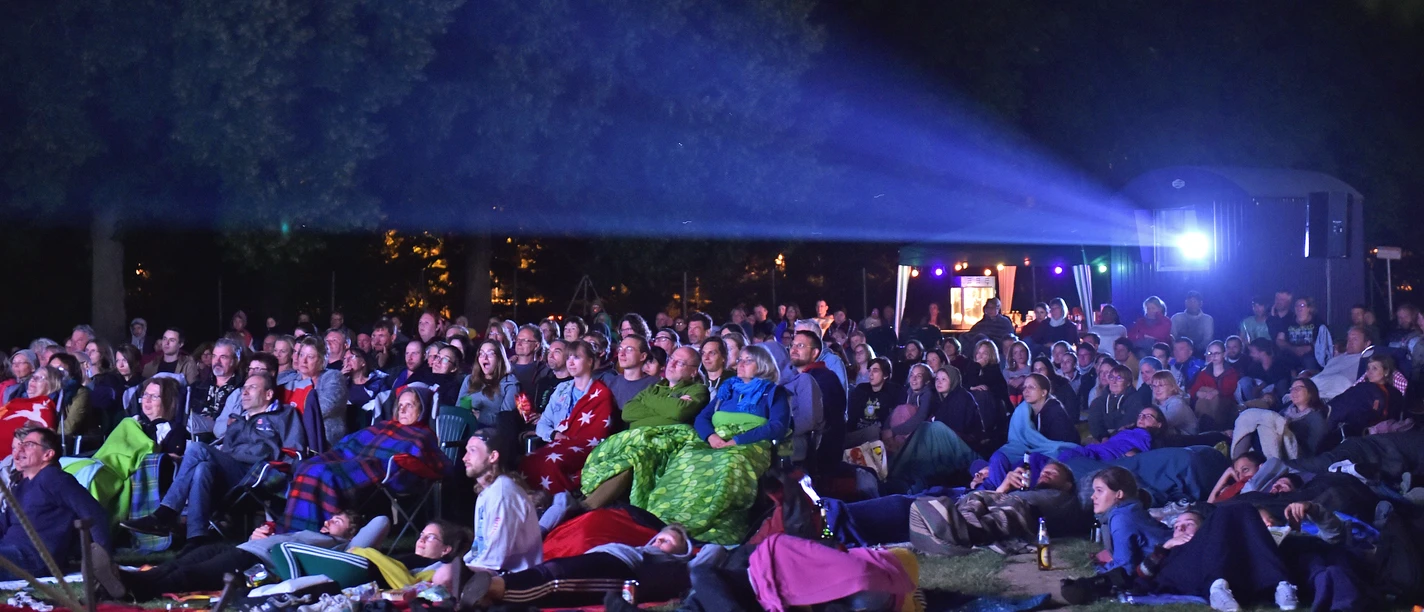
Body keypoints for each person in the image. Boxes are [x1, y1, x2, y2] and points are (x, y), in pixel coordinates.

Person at [121, 372, 305, 548]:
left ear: (268, 394)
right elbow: (227, 451)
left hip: (259, 473)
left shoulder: (285, 415)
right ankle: (196, 538)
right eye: (244, 388)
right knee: (202, 468)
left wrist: (281, 474)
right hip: (233, 473)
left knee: (196, 448)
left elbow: (295, 452)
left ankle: (164, 514)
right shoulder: (238, 421)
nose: (245, 392)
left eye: (253, 387)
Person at [633, 345, 789, 544]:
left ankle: (700, 524)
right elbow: (702, 419)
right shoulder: (728, 390)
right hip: (716, 441)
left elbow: (778, 426)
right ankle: (665, 519)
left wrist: (737, 440)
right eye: (739, 359)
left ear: (763, 365)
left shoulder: (773, 392)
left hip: (750, 443)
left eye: (747, 360)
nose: (740, 364)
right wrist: (711, 437)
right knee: (685, 458)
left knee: (728, 464)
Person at [98, 509, 386, 601]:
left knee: (190, 576)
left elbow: (381, 522)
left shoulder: (341, 548)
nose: (329, 521)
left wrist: (349, 538)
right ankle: (123, 579)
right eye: (332, 517)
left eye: (339, 522)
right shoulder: (316, 533)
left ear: (350, 535)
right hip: (243, 547)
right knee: (180, 561)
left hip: (255, 562)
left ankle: (131, 589)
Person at [281, 386, 451, 532]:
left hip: (379, 470)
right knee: (306, 466)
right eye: (400, 406)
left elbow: (433, 464)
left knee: (324, 474)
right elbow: (351, 442)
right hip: (350, 458)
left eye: (410, 405)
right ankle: (295, 529)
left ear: (422, 409)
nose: (403, 410)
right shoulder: (384, 425)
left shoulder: (423, 435)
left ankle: (326, 532)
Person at [580, 346, 710, 509]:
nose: (673, 364)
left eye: (681, 363)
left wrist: (650, 401)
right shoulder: (653, 388)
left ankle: (586, 506)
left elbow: (678, 412)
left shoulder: (697, 390)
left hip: (662, 443)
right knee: (607, 456)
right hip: (633, 438)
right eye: (672, 359)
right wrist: (670, 402)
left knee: (634, 459)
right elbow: (628, 412)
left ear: (693, 371)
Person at [460, 524, 693, 609]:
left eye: (669, 541)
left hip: (618, 569)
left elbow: (712, 553)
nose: (659, 541)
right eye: (659, 537)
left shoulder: (672, 564)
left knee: (557, 580)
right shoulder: (639, 548)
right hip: (601, 557)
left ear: (681, 552)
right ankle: (486, 593)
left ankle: (492, 589)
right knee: (554, 570)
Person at [433, 430, 542, 589]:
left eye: (472, 451)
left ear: (493, 457)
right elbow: (479, 548)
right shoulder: (486, 493)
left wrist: (457, 572)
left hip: (514, 578)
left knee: (444, 575)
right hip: (492, 569)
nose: (464, 458)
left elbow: (495, 558)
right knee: (434, 570)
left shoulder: (503, 494)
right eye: (466, 451)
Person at [0, 424, 109, 580]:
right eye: (20, 445)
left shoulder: (54, 478)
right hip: (8, 551)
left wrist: (103, 561)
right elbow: (3, 524)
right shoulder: (22, 485)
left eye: (29, 445)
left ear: (48, 454)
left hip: (33, 558)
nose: (20, 450)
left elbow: (94, 513)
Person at [524, 341, 616, 493]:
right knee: (528, 462)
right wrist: (554, 434)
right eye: (568, 358)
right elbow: (543, 423)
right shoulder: (561, 389)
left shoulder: (602, 393)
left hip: (585, 448)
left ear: (590, 361)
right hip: (556, 442)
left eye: (577, 357)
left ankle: (565, 502)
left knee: (550, 465)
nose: (571, 362)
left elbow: (598, 434)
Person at [1092, 466, 1170, 574]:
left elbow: (1124, 568)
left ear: (1119, 494)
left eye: (1099, 491)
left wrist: (1098, 568)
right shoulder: (1130, 509)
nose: (1093, 496)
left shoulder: (1121, 518)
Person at [790, 330, 846, 469]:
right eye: (792, 345)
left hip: (818, 454)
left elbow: (816, 420)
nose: (794, 349)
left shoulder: (825, 378)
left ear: (815, 353)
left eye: (801, 346)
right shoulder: (792, 377)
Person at [282, 335, 347, 448]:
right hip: (290, 438)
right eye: (301, 355)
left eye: (310, 357)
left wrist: (288, 419)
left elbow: (322, 408)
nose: (303, 360)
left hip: (323, 441)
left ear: (321, 360)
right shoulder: (289, 379)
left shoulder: (333, 377)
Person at [1328, 353, 1406, 437]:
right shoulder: (1362, 385)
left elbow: (1386, 418)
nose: (1369, 372)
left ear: (1386, 372)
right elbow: (1345, 397)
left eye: (1374, 369)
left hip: (1355, 425)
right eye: (1368, 368)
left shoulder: (1392, 393)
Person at [457, 340, 520, 426]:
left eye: (490, 354)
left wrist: (479, 416)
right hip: (464, 426)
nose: (484, 358)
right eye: (481, 353)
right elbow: (457, 408)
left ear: (499, 358)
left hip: (490, 431)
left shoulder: (510, 384)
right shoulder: (469, 379)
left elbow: (506, 421)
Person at [929, 365, 986, 453]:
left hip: (966, 447)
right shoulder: (940, 399)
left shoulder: (961, 398)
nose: (939, 382)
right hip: (949, 443)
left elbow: (955, 430)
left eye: (943, 379)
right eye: (937, 379)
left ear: (953, 380)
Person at [845, 357, 900, 448]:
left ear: (885, 375)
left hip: (879, 437)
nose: (870, 374)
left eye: (875, 371)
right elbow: (852, 417)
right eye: (869, 370)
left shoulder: (892, 393)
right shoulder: (861, 389)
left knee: (874, 431)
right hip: (857, 434)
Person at [1188, 340, 1240, 431]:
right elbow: (1194, 390)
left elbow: (1230, 389)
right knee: (1203, 393)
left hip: (1226, 406)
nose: (1213, 356)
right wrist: (1198, 393)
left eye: (1217, 353)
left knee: (1214, 398)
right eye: (1210, 353)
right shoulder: (1203, 373)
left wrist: (1216, 392)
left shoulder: (1231, 372)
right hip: (1206, 405)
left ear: (1224, 354)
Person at [1086, 364, 1143, 441]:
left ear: (1128, 383)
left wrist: (1112, 437)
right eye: (1111, 377)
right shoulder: (1097, 402)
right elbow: (1095, 422)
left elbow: (1128, 422)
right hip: (1102, 440)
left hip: (1125, 440)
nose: (1114, 382)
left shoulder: (1136, 400)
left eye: (1119, 378)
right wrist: (1103, 437)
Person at [1278, 297, 1333, 372]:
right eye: (1297, 305)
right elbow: (1279, 340)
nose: (1299, 308)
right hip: (1291, 352)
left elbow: (1323, 341)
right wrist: (1293, 348)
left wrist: (1308, 348)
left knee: (1309, 361)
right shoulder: (1287, 321)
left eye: (1302, 305)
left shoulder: (1318, 322)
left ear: (1309, 308)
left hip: (1311, 354)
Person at [965, 339, 1010, 413]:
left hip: (991, 407)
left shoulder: (994, 370)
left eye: (984, 353)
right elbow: (964, 383)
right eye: (978, 353)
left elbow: (979, 382)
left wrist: (977, 365)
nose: (980, 356)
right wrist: (971, 387)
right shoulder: (971, 367)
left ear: (991, 355)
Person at [1149, 370, 1196, 436]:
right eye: (1154, 386)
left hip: (1187, 441)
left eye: (1161, 385)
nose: (1157, 390)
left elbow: (1163, 425)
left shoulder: (1177, 403)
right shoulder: (1156, 404)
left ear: (1172, 387)